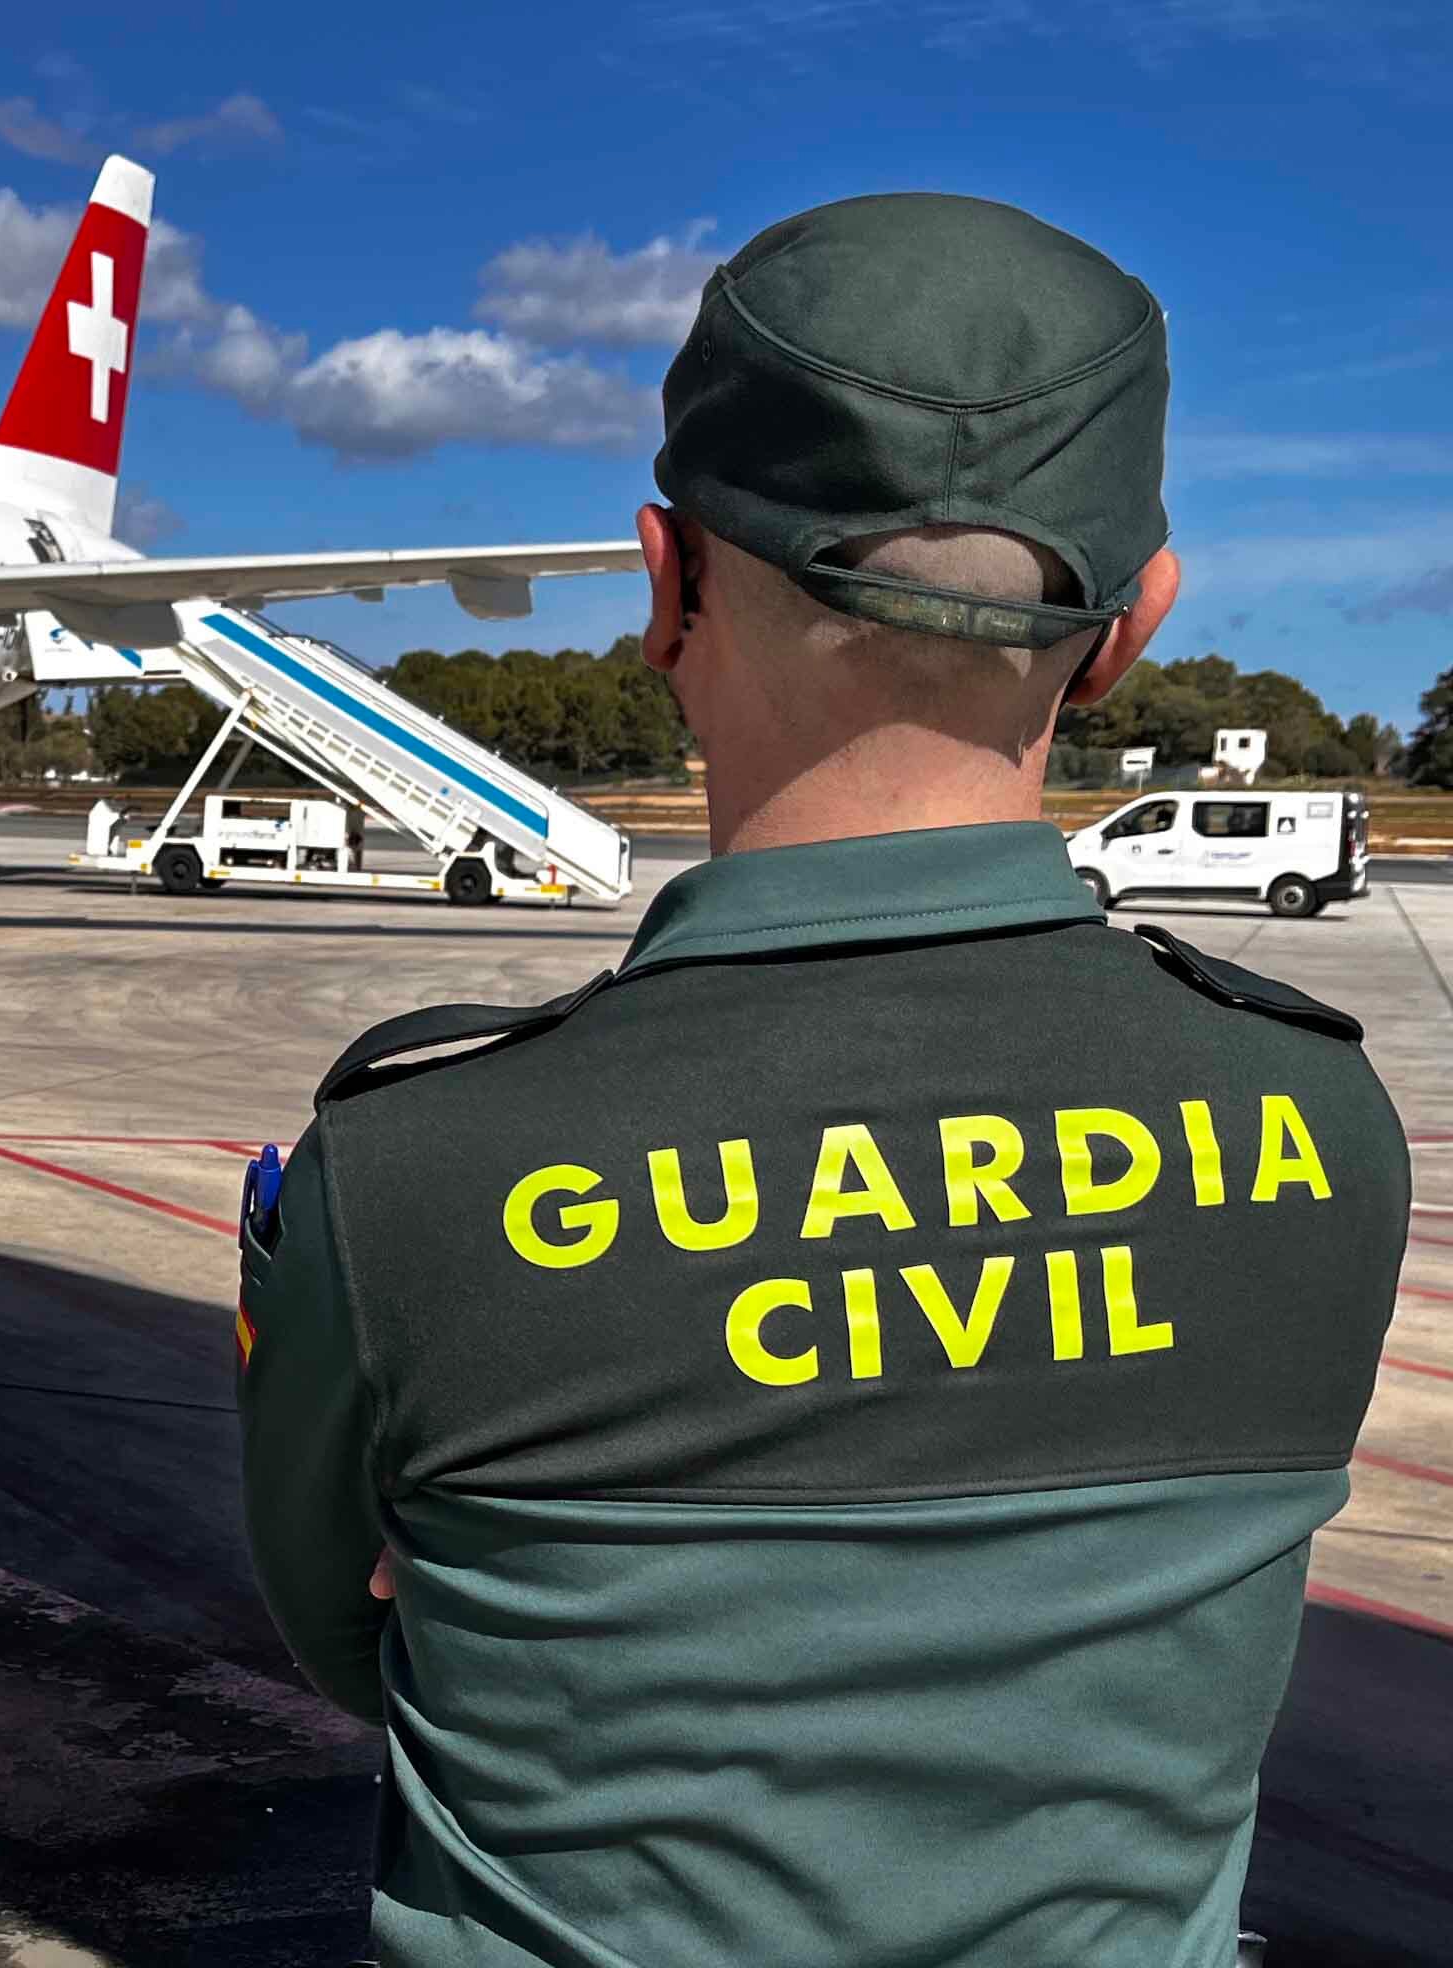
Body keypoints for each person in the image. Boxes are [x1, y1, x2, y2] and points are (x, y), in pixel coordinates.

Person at [237, 194, 1406, 1968]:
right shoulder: (1321, 1124)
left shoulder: (413, 1171)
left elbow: (350, 1639)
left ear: (666, 583)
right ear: (1126, 632)